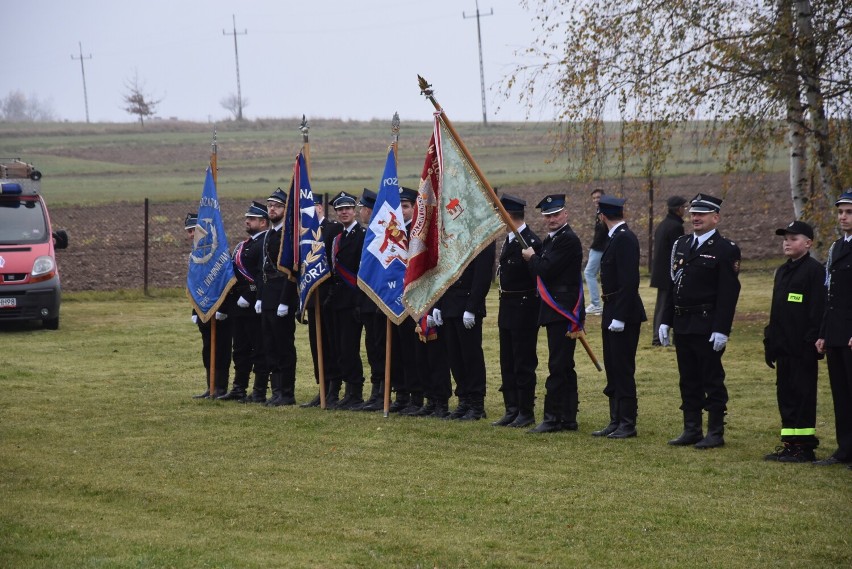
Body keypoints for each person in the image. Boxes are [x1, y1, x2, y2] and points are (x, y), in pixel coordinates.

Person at [659, 193, 741, 449]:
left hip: (706, 324)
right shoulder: (682, 244)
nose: (695, 218)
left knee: (711, 378)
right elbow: (674, 286)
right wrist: (665, 320)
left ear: (715, 218)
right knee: (688, 378)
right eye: (693, 213)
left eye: (702, 214)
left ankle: (715, 431)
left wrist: (721, 329)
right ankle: (691, 428)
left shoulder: (725, 249)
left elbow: (729, 293)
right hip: (683, 322)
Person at [522, 194, 584, 433]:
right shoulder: (552, 240)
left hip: (563, 309)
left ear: (565, 214)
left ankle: (552, 417)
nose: (552, 219)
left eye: (556, 214)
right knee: (563, 364)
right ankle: (567, 417)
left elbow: (545, 270)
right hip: (554, 308)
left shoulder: (567, 239)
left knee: (558, 365)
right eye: (547, 216)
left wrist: (531, 258)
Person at [763, 221, 824, 462]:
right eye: (785, 238)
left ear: (808, 243)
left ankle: (805, 446)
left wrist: (811, 343)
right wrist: (771, 341)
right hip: (783, 348)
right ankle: (790, 443)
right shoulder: (783, 271)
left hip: (802, 350)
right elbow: (776, 311)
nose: (787, 242)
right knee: (786, 396)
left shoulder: (814, 271)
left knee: (802, 397)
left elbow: (817, 311)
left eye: (793, 238)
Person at [594, 195, 646, 439]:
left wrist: (621, 316)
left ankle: (627, 422)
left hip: (622, 311)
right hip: (611, 308)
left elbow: (629, 281)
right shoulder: (616, 237)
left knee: (623, 368)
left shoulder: (624, 238)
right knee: (613, 368)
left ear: (602, 216)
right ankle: (615, 420)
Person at [493, 194, 541, 428]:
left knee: (523, 361)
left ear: (508, 215)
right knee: (507, 361)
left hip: (524, 309)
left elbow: (536, 276)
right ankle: (511, 408)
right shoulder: (511, 240)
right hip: (507, 309)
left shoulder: (528, 241)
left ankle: (525, 410)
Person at [814, 190, 852, 468]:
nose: (843, 216)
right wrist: (824, 333)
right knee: (841, 393)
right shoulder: (836, 248)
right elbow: (830, 294)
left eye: (849, 212)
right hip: (837, 332)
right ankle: (845, 449)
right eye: (840, 212)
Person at [219, 201, 270, 403]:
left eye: (252, 219)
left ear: (263, 222)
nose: (247, 222)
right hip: (238, 306)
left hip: (253, 305)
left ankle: (259, 391)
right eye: (247, 219)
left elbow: (261, 274)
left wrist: (250, 295)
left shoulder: (265, 243)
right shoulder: (243, 245)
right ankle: (239, 387)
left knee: (258, 349)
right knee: (239, 349)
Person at [439, 238, 496, 421]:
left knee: (470, 356)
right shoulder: (453, 235)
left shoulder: (482, 235)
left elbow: (483, 274)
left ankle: (476, 403)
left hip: (467, 304)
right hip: (450, 303)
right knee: (454, 356)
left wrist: (472, 307)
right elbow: (444, 270)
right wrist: (438, 305)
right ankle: (463, 399)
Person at [257, 188, 299, 407]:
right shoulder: (269, 234)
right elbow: (263, 269)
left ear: (285, 209)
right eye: (270, 205)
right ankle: (276, 391)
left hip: (282, 296)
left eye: (277, 206)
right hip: (268, 296)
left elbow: (291, 271)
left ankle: (287, 392)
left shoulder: (288, 236)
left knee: (284, 346)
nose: (272, 209)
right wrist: (260, 297)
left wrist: (285, 300)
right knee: (269, 345)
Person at [326, 191, 367, 410]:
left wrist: (359, 301)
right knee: (340, 349)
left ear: (355, 211)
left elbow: (362, 271)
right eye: (340, 209)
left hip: (354, 300)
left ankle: (355, 392)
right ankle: (347, 391)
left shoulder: (362, 235)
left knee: (350, 348)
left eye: (348, 209)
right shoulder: (338, 238)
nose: (344, 212)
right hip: (338, 301)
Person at [302, 194, 344, 408]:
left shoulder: (332, 229)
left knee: (331, 344)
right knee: (316, 345)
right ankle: (322, 387)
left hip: (329, 296)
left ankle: (334, 389)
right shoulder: (304, 232)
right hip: (312, 296)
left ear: (319, 207)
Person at [185, 212, 232, 399]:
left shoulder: (219, 253)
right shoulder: (195, 255)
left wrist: (223, 309)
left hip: (221, 311)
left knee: (221, 349)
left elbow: (226, 283)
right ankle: (210, 386)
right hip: (203, 309)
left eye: (193, 230)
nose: (190, 235)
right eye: (188, 231)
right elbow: (196, 285)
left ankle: (220, 387)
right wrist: (194, 310)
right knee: (207, 349)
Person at [353, 188, 388, 411]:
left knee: (381, 347)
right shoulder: (367, 234)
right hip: (366, 301)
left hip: (380, 301)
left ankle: (385, 390)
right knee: (372, 349)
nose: (360, 213)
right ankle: (376, 391)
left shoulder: (381, 234)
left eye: (361, 209)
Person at [650, 196, 687, 346]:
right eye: (683, 207)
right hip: (668, 273)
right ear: (678, 209)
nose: (685, 210)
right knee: (666, 305)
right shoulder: (675, 227)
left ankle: (657, 336)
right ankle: (658, 338)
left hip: (660, 271)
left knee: (661, 305)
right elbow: (678, 252)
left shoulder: (664, 224)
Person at [584, 188, 607, 315]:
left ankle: (596, 304)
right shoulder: (600, 211)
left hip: (599, 247)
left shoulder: (603, 212)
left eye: (598, 197)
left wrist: (594, 246)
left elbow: (603, 232)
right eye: (594, 198)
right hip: (599, 246)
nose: (596, 200)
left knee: (589, 273)